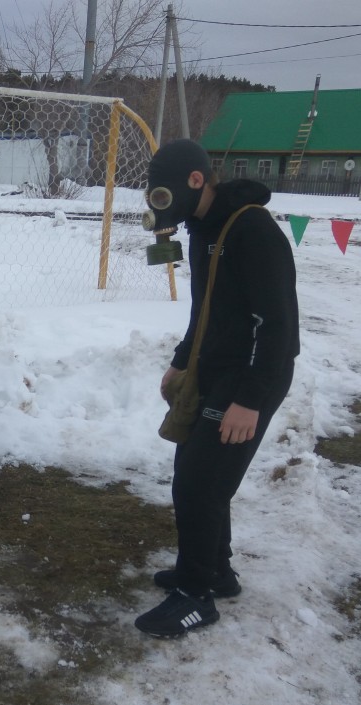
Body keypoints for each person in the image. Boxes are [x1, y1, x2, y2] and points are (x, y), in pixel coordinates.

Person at [134, 138, 300, 638]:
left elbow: (279, 327)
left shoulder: (253, 231)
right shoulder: (204, 230)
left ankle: (196, 595)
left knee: (199, 483)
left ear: (195, 180)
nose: (161, 206)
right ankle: (217, 572)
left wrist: (249, 400)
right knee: (198, 474)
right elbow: (205, 310)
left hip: (253, 374)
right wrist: (181, 362)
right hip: (214, 369)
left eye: (163, 196)